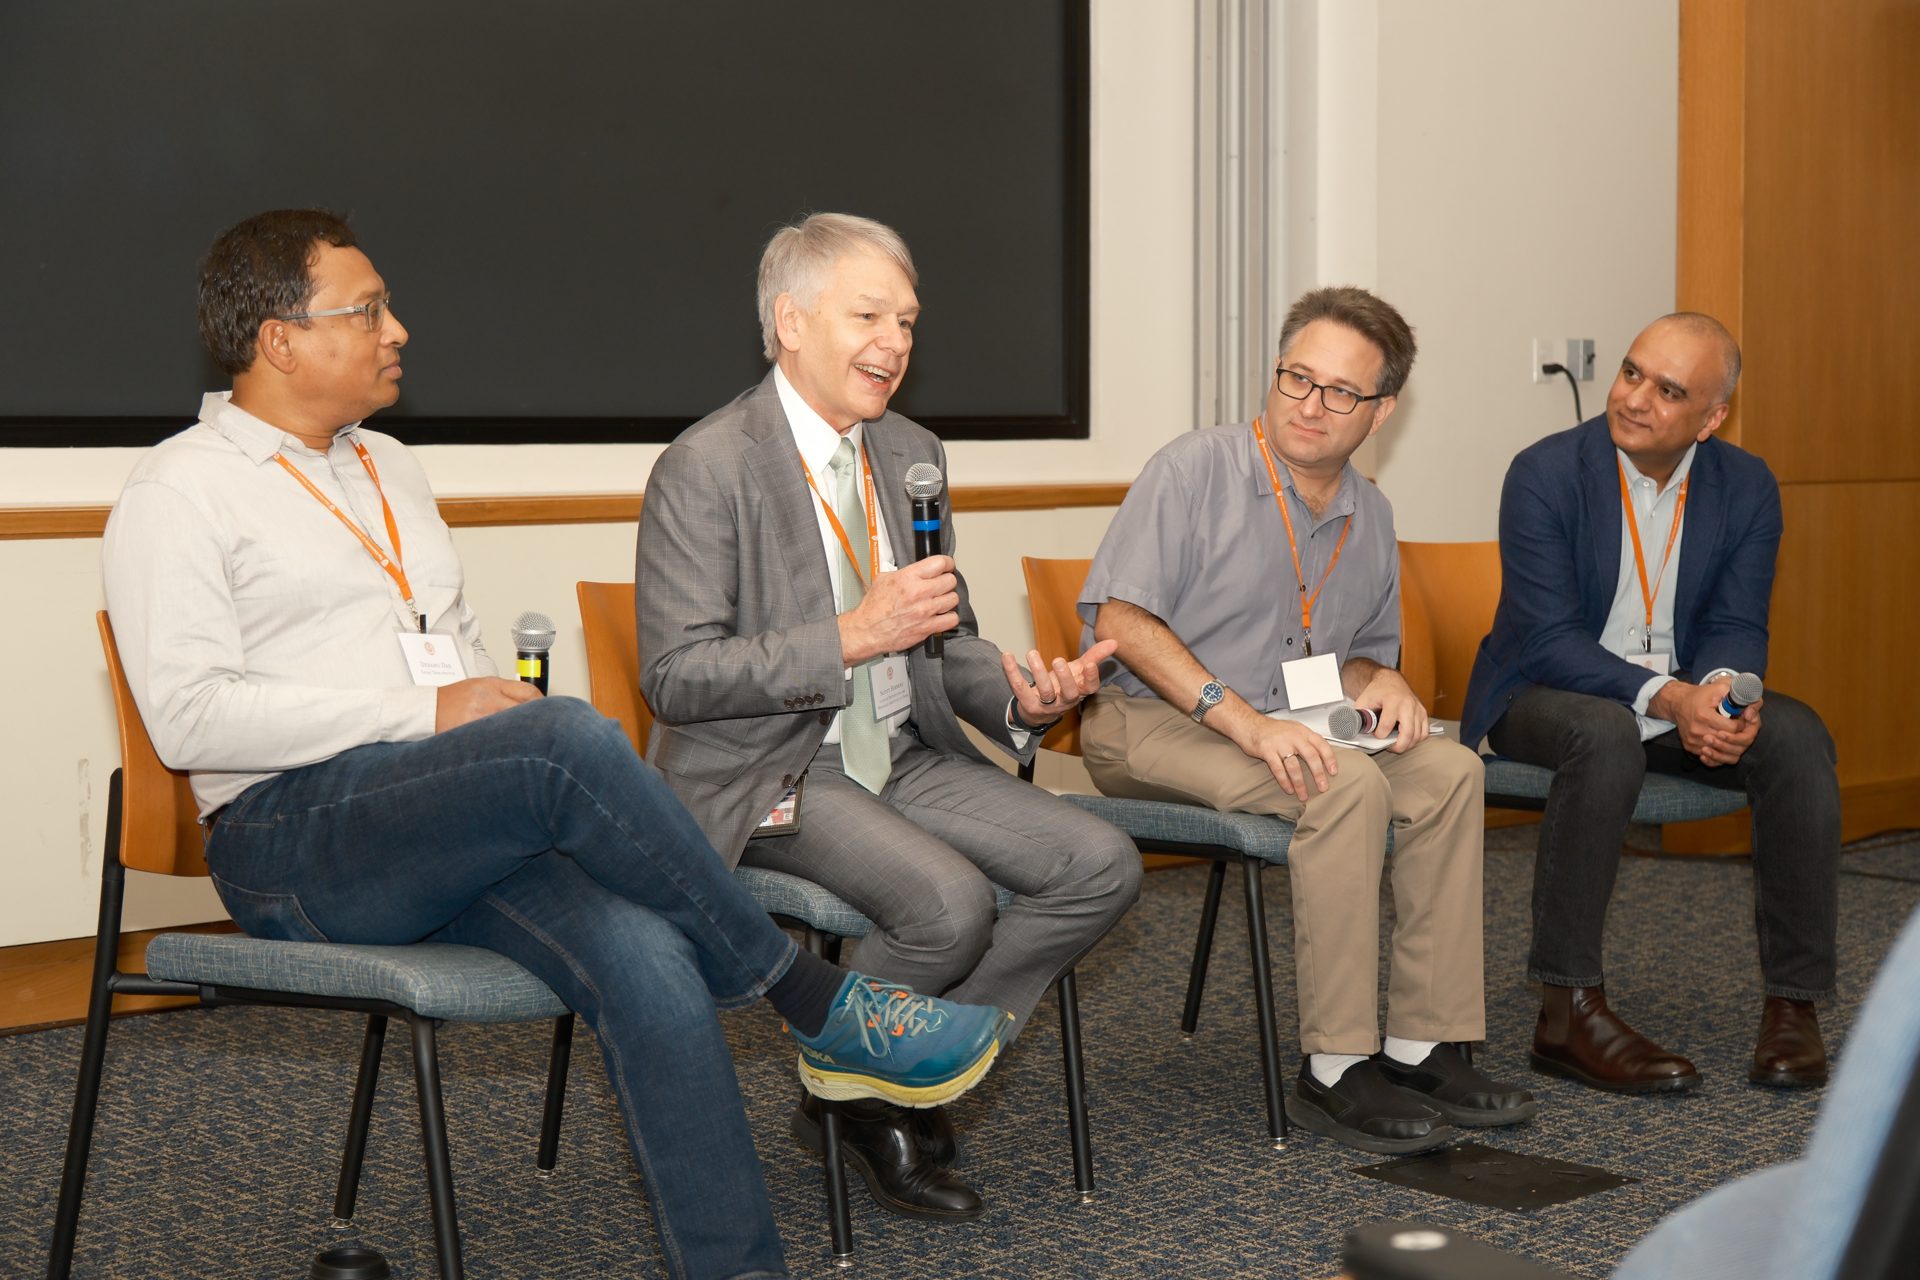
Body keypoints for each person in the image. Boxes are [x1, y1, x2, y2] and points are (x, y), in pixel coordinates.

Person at [100, 208, 1011, 1280]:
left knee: (653, 956)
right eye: (369, 310)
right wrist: (433, 716)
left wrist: (466, 711)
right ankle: (815, 1002)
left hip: (434, 821)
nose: (400, 330)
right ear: (278, 339)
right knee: (559, 739)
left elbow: (448, 659)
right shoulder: (180, 489)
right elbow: (191, 716)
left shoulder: (389, 467)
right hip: (293, 838)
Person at [636, 212, 1141, 1221]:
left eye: (907, 320)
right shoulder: (708, 463)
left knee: (1100, 864)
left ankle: (874, 1081)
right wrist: (851, 635)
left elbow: (940, 641)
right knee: (946, 902)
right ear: (790, 319)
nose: (896, 342)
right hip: (773, 771)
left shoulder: (911, 450)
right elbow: (677, 675)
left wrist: (1016, 694)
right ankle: (874, 1096)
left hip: (902, 750)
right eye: (869, 314)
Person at [1078, 285, 1537, 1156]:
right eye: (1297, 378)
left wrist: (1387, 680)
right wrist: (1247, 724)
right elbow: (1121, 623)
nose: (1310, 406)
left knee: (1449, 772)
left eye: (1341, 392)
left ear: (1382, 411)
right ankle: (1334, 1063)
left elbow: (1356, 654)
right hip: (1149, 720)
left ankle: (1420, 1044)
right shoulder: (1196, 469)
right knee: (1342, 781)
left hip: (1298, 720)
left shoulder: (1371, 512)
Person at [1461, 312, 1838, 1094]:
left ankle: (1794, 1006)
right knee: (1604, 733)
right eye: (1632, 373)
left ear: (1712, 417)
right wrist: (1671, 696)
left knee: (1797, 737)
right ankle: (1565, 1008)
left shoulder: (1746, 486)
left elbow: (1736, 623)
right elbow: (1546, 638)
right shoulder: (1545, 473)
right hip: (1544, 695)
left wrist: (1727, 699)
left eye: (1669, 391)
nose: (1635, 398)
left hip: (1676, 697)